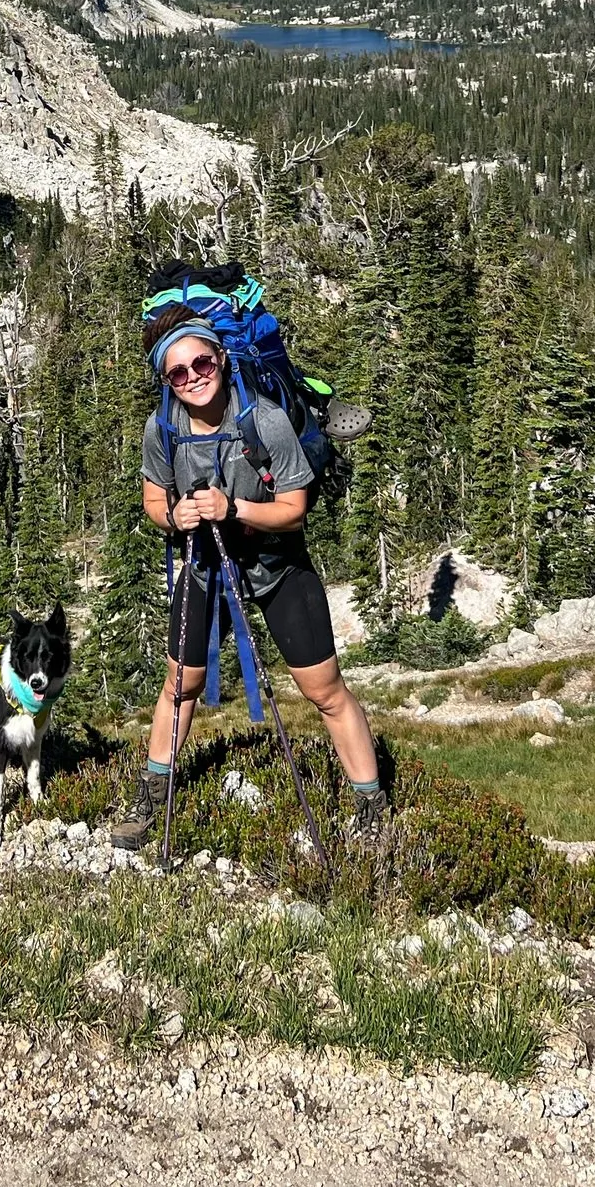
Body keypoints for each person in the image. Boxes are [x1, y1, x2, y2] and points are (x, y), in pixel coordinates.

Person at [109, 304, 386, 849]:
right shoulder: (161, 428)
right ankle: (152, 800)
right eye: (178, 373)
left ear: (222, 358)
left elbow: (293, 510)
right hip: (203, 565)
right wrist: (175, 515)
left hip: (277, 566)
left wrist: (232, 509)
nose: (193, 378)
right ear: (166, 380)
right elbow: (152, 497)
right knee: (181, 686)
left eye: (202, 363)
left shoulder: (265, 420)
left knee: (324, 690)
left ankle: (372, 805)